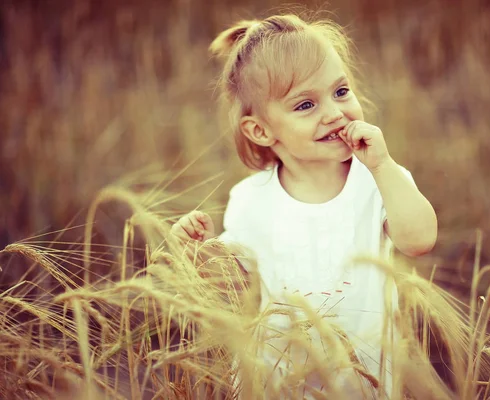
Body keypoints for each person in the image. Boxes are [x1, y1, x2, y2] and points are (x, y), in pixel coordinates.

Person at [171, 12, 438, 398]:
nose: (333, 112)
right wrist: (199, 255)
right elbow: (232, 290)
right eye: (305, 105)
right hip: (278, 382)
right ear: (261, 130)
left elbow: (419, 240)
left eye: (341, 92)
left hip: (363, 382)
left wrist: (382, 164)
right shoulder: (250, 201)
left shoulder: (377, 181)